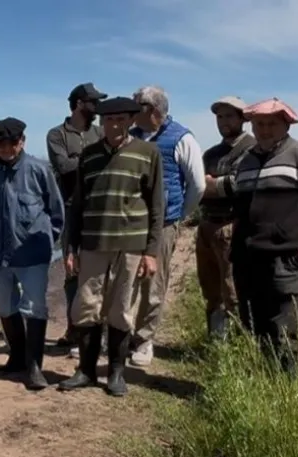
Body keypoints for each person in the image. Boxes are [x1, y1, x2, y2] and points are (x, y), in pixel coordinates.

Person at [60, 97, 165, 397]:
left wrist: (151, 252)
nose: (115, 125)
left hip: (131, 245)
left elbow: (156, 205)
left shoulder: (148, 152)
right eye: (109, 120)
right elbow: (77, 205)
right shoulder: (89, 155)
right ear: (101, 122)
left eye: (120, 119)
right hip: (93, 243)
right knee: (86, 307)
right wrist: (71, 248)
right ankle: (86, 370)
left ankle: (116, 373)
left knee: (121, 309)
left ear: (130, 121)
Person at [231, 98, 298, 373]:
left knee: (290, 335)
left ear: (286, 125)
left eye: (272, 124)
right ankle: (266, 385)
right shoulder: (245, 161)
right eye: (259, 124)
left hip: (286, 260)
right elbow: (239, 209)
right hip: (247, 260)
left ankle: (295, 389)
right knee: (255, 327)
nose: (265, 130)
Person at [128, 85, 206, 369]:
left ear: (152, 110)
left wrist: (178, 215)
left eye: (137, 106)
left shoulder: (181, 138)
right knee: (126, 279)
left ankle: (144, 339)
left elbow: (197, 184)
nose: (131, 111)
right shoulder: (131, 135)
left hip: (163, 224)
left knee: (153, 282)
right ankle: (121, 334)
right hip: (131, 223)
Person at [0, 117, 65, 390]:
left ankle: (34, 367)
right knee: (5, 306)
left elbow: (56, 212)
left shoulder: (39, 170)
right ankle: (17, 357)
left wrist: (46, 241)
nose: (6, 148)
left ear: (22, 141)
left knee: (34, 308)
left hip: (32, 254)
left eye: (11, 142)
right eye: (0, 144)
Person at [46, 82, 107, 358]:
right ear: (79, 103)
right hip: (70, 209)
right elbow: (64, 167)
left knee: (98, 272)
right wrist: (93, 157)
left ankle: (95, 331)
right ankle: (74, 328)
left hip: (98, 209)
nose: (98, 107)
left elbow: (106, 161)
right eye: (94, 102)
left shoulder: (99, 132)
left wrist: (80, 159)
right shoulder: (57, 134)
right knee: (72, 270)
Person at [197, 97, 255, 340]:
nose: (223, 121)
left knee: (233, 289)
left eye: (230, 116)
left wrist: (210, 185)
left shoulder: (251, 149)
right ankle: (215, 342)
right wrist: (209, 185)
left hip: (232, 225)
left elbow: (239, 184)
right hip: (207, 225)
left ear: (243, 118)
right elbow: (196, 185)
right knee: (210, 289)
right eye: (220, 117)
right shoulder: (212, 153)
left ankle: (238, 343)